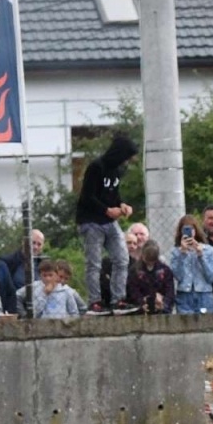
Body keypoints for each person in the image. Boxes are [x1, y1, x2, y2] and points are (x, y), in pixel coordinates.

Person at [75, 133, 139, 314]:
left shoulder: (117, 170)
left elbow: (113, 194)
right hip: (91, 221)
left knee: (122, 258)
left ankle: (117, 299)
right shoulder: (97, 167)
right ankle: (94, 301)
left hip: (109, 221)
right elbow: (87, 196)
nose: (127, 161)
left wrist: (121, 205)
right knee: (94, 263)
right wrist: (106, 210)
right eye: (127, 157)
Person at [169, 215, 213, 315]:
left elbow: (211, 277)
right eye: (185, 230)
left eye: (191, 229)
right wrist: (182, 254)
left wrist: (201, 255)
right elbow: (178, 276)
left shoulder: (208, 250)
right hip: (184, 294)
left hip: (204, 294)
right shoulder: (176, 252)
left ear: (195, 231)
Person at [18, 259, 86, 320]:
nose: (48, 279)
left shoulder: (67, 291)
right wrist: (44, 294)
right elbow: (35, 313)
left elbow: (75, 312)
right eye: (44, 275)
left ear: (55, 274)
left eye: (50, 275)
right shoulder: (36, 287)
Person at [127, 240, 176, 314]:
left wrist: (164, 303)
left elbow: (170, 291)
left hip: (161, 308)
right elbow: (132, 290)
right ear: (143, 255)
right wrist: (141, 301)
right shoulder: (134, 270)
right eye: (148, 261)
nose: (150, 263)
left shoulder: (165, 270)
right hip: (142, 308)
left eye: (152, 261)